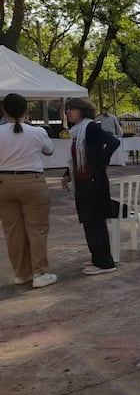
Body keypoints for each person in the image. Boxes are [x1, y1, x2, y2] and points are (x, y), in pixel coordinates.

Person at [0, 93, 57, 288]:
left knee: (12, 230)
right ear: (26, 111)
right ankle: (40, 272)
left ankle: (21, 273)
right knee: (37, 228)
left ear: (4, 110)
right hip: (32, 182)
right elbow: (49, 150)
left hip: (4, 183)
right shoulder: (38, 132)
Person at [61, 98, 121, 275]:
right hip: (82, 182)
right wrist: (67, 174)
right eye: (67, 110)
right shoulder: (77, 131)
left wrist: (100, 162)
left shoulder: (91, 127)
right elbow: (76, 158)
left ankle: (105, 262)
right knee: (88, 220)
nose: (68, 112)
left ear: (83, 110)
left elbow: (113, 142)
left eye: (72, 109)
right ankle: (97, 257)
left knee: (95, 221)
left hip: (93, 182)